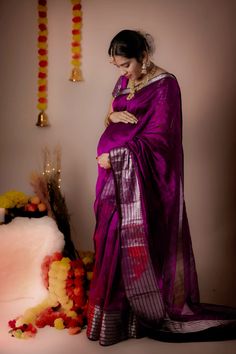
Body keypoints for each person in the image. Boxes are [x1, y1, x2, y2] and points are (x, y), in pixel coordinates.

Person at [86, 29, 236, 346]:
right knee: (110, 238)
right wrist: (109, 114)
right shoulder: (123, 83)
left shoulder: (166, 85)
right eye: (118, 67)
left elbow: (161, 141)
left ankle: (138, 319)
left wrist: (118, 157)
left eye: (126, 65)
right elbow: (115, 118)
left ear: (144, 57)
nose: (122, 73)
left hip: (138, 180)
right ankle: (114, 318)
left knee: (131, 243)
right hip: (111, 179)